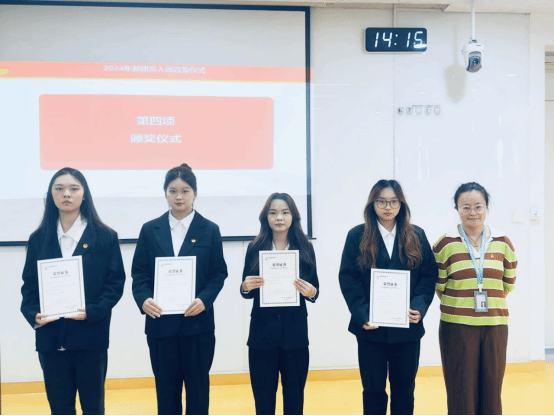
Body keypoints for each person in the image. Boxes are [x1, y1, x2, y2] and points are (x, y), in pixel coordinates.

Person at [20, 167, 125, 415]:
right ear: (51, 195)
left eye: (73, 188)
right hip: (51, 338)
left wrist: (93, 311)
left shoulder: (105, 237)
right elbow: (29, 286)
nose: (66, 194)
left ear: (84, 194)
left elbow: (115, 284)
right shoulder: (38, 239)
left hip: (90, 336)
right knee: (60, 408)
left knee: (93, 407)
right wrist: (33, 314)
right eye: (59, 189)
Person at [131, 163, 228, 415]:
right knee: (166, 392)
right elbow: (139, 273)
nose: (178, 197)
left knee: (198, 392)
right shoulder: (150, 230)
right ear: (165, 193)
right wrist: (143, 299)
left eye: (185, 191)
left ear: (195, 193)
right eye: (172, 191)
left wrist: (204, 300)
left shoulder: (210, 229)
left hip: (197, 325)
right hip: (160, 324)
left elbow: (218, 273)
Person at [338, 179, 438, 415]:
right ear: (372, 204)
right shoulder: (357, 235)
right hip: (370, 329)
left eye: (393, 201)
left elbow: (428, 275)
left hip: (407, 328)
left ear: (401, 204)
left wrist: (419, 307)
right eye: (381, 201)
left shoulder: (416, 234)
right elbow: (348, 278)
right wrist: (363, 313)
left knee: (404, 390)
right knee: (373, 389)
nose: (387, 207)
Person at [434, 182, 517, 415]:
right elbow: (439, 285)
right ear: (457, 209)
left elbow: (508, 283)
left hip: (495, 326)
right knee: (461, 389)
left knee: (492, 389)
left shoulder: (503, 242)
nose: (473, 212)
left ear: (487, 207)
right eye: (466, 207)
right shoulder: (444, 244)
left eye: (478, 206)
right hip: (456, 326)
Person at [241, 193, 319, 415]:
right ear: (266, 217)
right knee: (263, 400)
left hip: (295, 335)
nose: (279, 218)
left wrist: (311, 292)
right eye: (273, 213)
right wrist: (245, 286)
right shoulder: (255, 247)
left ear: (293, 216)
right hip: (262, 335)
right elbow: (245, 289)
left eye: (285, 212)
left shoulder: (305, 247)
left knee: (294, 399)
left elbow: (315, 290)